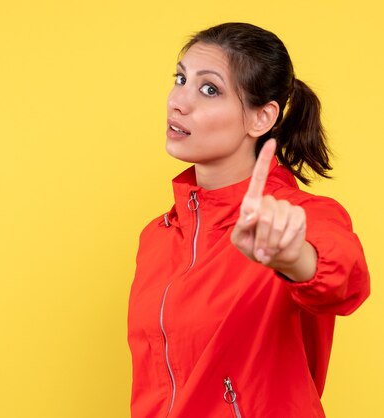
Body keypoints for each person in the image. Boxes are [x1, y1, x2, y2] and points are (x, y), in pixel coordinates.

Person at [127, 22, 370, 418]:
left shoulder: (298, 217)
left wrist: (293, 260)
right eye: (181, 78)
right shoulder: (157, 237)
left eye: (209, 89)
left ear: (261, 119)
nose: (178, 101)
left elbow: (346, 278)